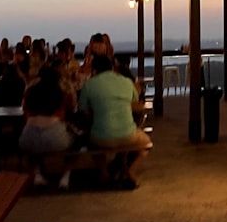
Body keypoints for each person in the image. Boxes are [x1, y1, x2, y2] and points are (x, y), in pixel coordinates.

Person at [78, 52, 151, 189]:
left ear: (94, 70)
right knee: (146, 143)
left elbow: (83, 111)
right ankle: (130, 171)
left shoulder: (89, 85)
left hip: (100, 138)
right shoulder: (126, 82)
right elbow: (135, 104)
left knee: (91, 141)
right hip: (128, 135)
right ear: (112, 67)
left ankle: (104, 172)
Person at [19, 69, 74, 189]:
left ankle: (37, 174)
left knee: (33, 145)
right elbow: (67, 111)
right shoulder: (59, 93)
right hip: (55, 138)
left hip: (29, 137)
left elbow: (25, 112)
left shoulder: (31, 92)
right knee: (76, 142)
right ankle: (65, 176)